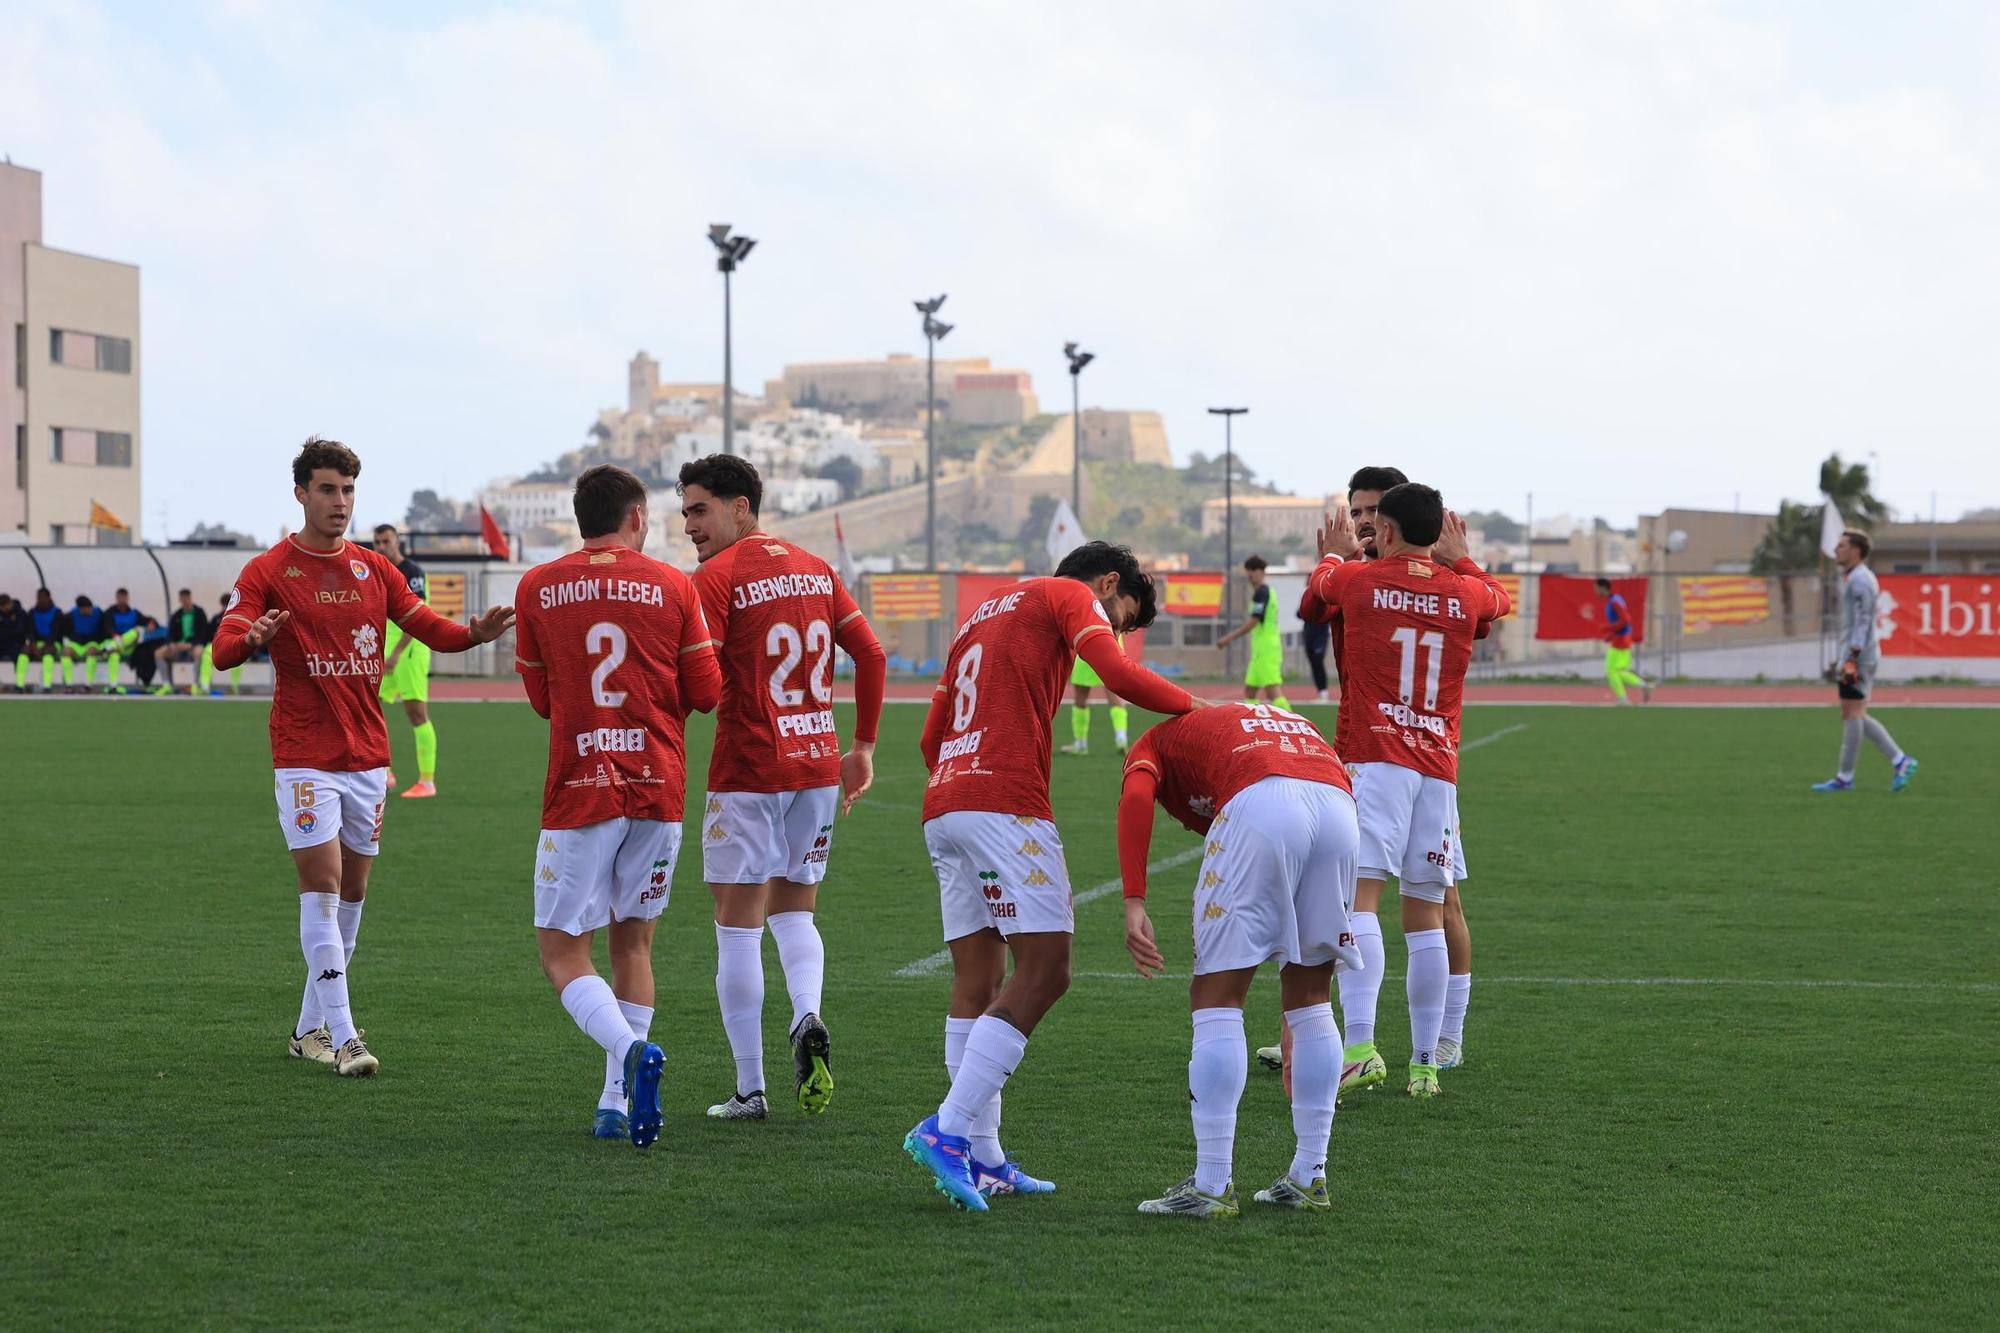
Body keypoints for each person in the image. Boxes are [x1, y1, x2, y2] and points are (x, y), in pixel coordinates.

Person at [902, 541, 1198, 1212]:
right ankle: (948, 1130)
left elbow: (928, 740)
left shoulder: (980, 614)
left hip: (944, 802)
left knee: (978, 980)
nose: (1113, 629)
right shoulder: (1067, 594)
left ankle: (985, 1156)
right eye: (1119, 617)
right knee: (1049, 968)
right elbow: (1118, 676)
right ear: (1107, 581)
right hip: (1005, 803)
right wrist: (1197, 707)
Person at [210, 436, 513, 1078]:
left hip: (368, 757)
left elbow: (430, 627)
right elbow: (223, 648)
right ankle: (346, 1036)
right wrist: (251, 639)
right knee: (319, 889)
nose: (340, 502)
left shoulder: (375, 571)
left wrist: (474, 635)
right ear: (301, 494)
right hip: (304, 756)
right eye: (327, 489)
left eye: (348, 490)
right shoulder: (267, 571)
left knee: (352, 895)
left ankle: (306, 1029)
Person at [515, 465, 721, 1147]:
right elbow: (707, 691)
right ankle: (612, 1098)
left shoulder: (538, 587)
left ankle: (629, 1059)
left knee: (562, 951)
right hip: (657, 785)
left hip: (581, 789)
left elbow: (543, 700)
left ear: (579, 516)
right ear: (636, 516)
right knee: (633, 940)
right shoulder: (674, 586)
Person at [678, 453, 888, 1122]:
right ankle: (806, 1013)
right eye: (684, 511)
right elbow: (873, 655)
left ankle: (750, 1088)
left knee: (736, 931)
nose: (689, 525)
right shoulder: (816, 567)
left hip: (748, 770)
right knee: (796, 911)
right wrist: (862, 747)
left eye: (699, 509)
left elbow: (701, 684)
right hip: (816, 765)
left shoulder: (715, 577)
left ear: (742, 507)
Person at [1301, 485, 1508, 1098]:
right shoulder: (1465, 590)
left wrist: (1335, 553)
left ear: (1385, 531)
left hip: (1375, 760)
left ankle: (1361, 1046)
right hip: (1437, 770)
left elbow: (1320, 587)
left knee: (1360, 901)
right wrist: (1462, 558)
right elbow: (1497, 601)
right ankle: (1424, 1063)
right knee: (1426, 917)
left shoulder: (1361, 581)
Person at [1119, 703, 1362, 1219]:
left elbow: (1138, 794)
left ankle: (1211, 1184)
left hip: (1261, 801)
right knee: (1312, 996)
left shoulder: (1154, 743)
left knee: (1216, 994)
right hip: (1340, 806)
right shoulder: (1257, 719)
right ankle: (1309, 1175)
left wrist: (1134, 900)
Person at [1813, 529, 1917, 793]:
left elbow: (1863, 621)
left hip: (1857, 657)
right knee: (1854, 712)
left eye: (1842, 546)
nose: (1836, 549)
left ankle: (1846, 777)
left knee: (1851, 713)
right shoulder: (1855, 577)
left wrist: (1852, 656)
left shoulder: (1860, 580)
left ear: (1856, 551)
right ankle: (1899, 760)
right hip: (1856, 655)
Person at [371, 524, 440, 798]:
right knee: (371, 708)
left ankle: (427, 781)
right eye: (377, 542)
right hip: (386, 652)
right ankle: (385, 772)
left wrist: (397, 652)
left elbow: (418, 616)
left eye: (386, 541)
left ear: (397, 541)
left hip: (409, 651)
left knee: (416, 713)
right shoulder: (376, 571)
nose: (381, 546)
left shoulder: (412, 573)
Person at [1217, 555, 1289, 707]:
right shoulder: (1265, 592)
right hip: (1259, 651)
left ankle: (1294, 725)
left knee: (1272, 691)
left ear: (1262, 572)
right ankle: (1254, 725)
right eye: (1248, 570)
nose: (1250, 574)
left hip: (1267, 649)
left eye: (1254, 570)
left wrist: (1228, 638)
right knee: (1250, 692)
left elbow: (1253, 622)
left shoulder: (1261, 593)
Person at [1060, 632, 1131, 755]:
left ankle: (1081, 744)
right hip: (1111, 644)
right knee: (1113, 692)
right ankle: (1121, 739)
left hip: (1088, 642)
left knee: (1081, 695)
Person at [1597, 577, 1652, 704]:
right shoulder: (1616, 599)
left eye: (1597, 589)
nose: (1596, 592)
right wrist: (1610, 634)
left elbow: (1626, 620)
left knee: (1611, 670)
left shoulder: (1614, 602)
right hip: (1622, 639)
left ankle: (1625, 696)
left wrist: (1608, 628)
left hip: (1621, 641)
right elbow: (1622, 622)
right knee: (1618, 671)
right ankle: (1640, 687)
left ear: (1603, 588)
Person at [155, 588, 210, 694]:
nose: (184, 601)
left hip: (193, 645)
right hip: (178, 646)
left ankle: (196, 684)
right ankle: (166, 685)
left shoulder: (199, 613)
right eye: (182, 599)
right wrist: (171, 644)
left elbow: (204, 633)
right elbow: (170, 632)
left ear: (190, 598)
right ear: (180, 600)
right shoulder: (177, 615)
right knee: (158, 653)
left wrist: (191, 644)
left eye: (186, 598)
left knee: (199, 652)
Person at [21, 589, 68, 693]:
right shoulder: (32, 612)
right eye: (38, 597)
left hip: (53, 643)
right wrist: (33, 644)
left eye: (43, 597)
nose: (40, 600)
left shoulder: (57, 612)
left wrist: (45, 646)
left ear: (48, 598)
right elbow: (30, 631)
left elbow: (56, 632)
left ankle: (47, 685)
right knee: (24, 651)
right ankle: (19, 685)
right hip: (37, 643)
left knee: (48, 652)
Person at [201, 592, 245, 696]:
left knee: (237, 657)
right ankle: (205, 686)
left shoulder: (237, 617)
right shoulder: (216, 618)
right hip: (215, 644)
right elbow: (208, 634)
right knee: (207, 655)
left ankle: (235, 686)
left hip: (232, 643)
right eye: (224, 604)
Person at [64, 594, 110, 693]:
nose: (88, 611)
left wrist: (102, 646)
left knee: (91, 651)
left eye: (89, 608)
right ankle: (69, 685)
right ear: (80, 608)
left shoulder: (99, 613)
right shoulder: (71, 615)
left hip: (92, 642)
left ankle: (88, 685)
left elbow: (105, 630)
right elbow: (65, 630)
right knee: (66, 651)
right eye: (86, 609)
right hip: (77, 643)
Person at [0, 593, 31, 692]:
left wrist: (5, 625)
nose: (3, 609)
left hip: (17, 645)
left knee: (22, 657)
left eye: (4, 606)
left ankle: (19, 685)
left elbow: (20, 631)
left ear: (9, 604)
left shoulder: (20, 613)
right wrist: (10, 626)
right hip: (2, 645)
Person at [1299, 613, 1331, 704]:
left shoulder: (1325, 601)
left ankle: (1324, 693)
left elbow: (1328, 615)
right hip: (1308, 636)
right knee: (1313, 664)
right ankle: (1320, 692)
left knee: (1318, 663)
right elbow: (1299, 614)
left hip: (1320, 636)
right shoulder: (1306, 600)